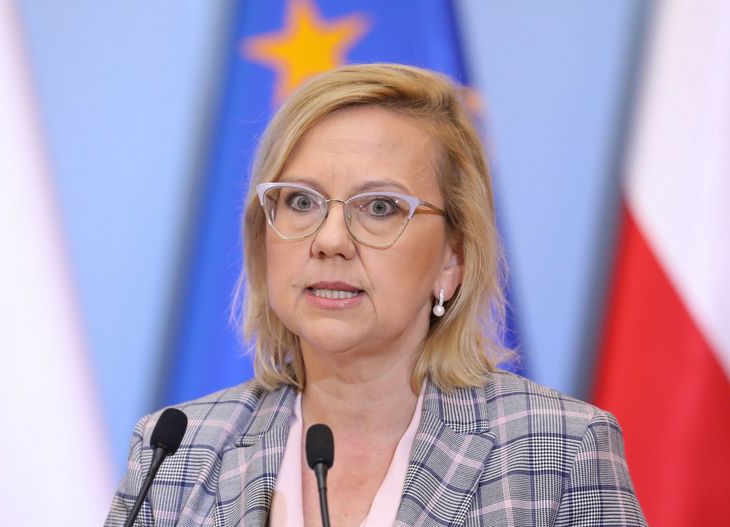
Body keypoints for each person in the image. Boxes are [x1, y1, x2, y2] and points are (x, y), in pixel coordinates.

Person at [105, 63, 646, 526]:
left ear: (453, 259)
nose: (330, 241)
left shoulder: (557, 453)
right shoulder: (175, 453)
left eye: (380, 207)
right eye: (300, 202)